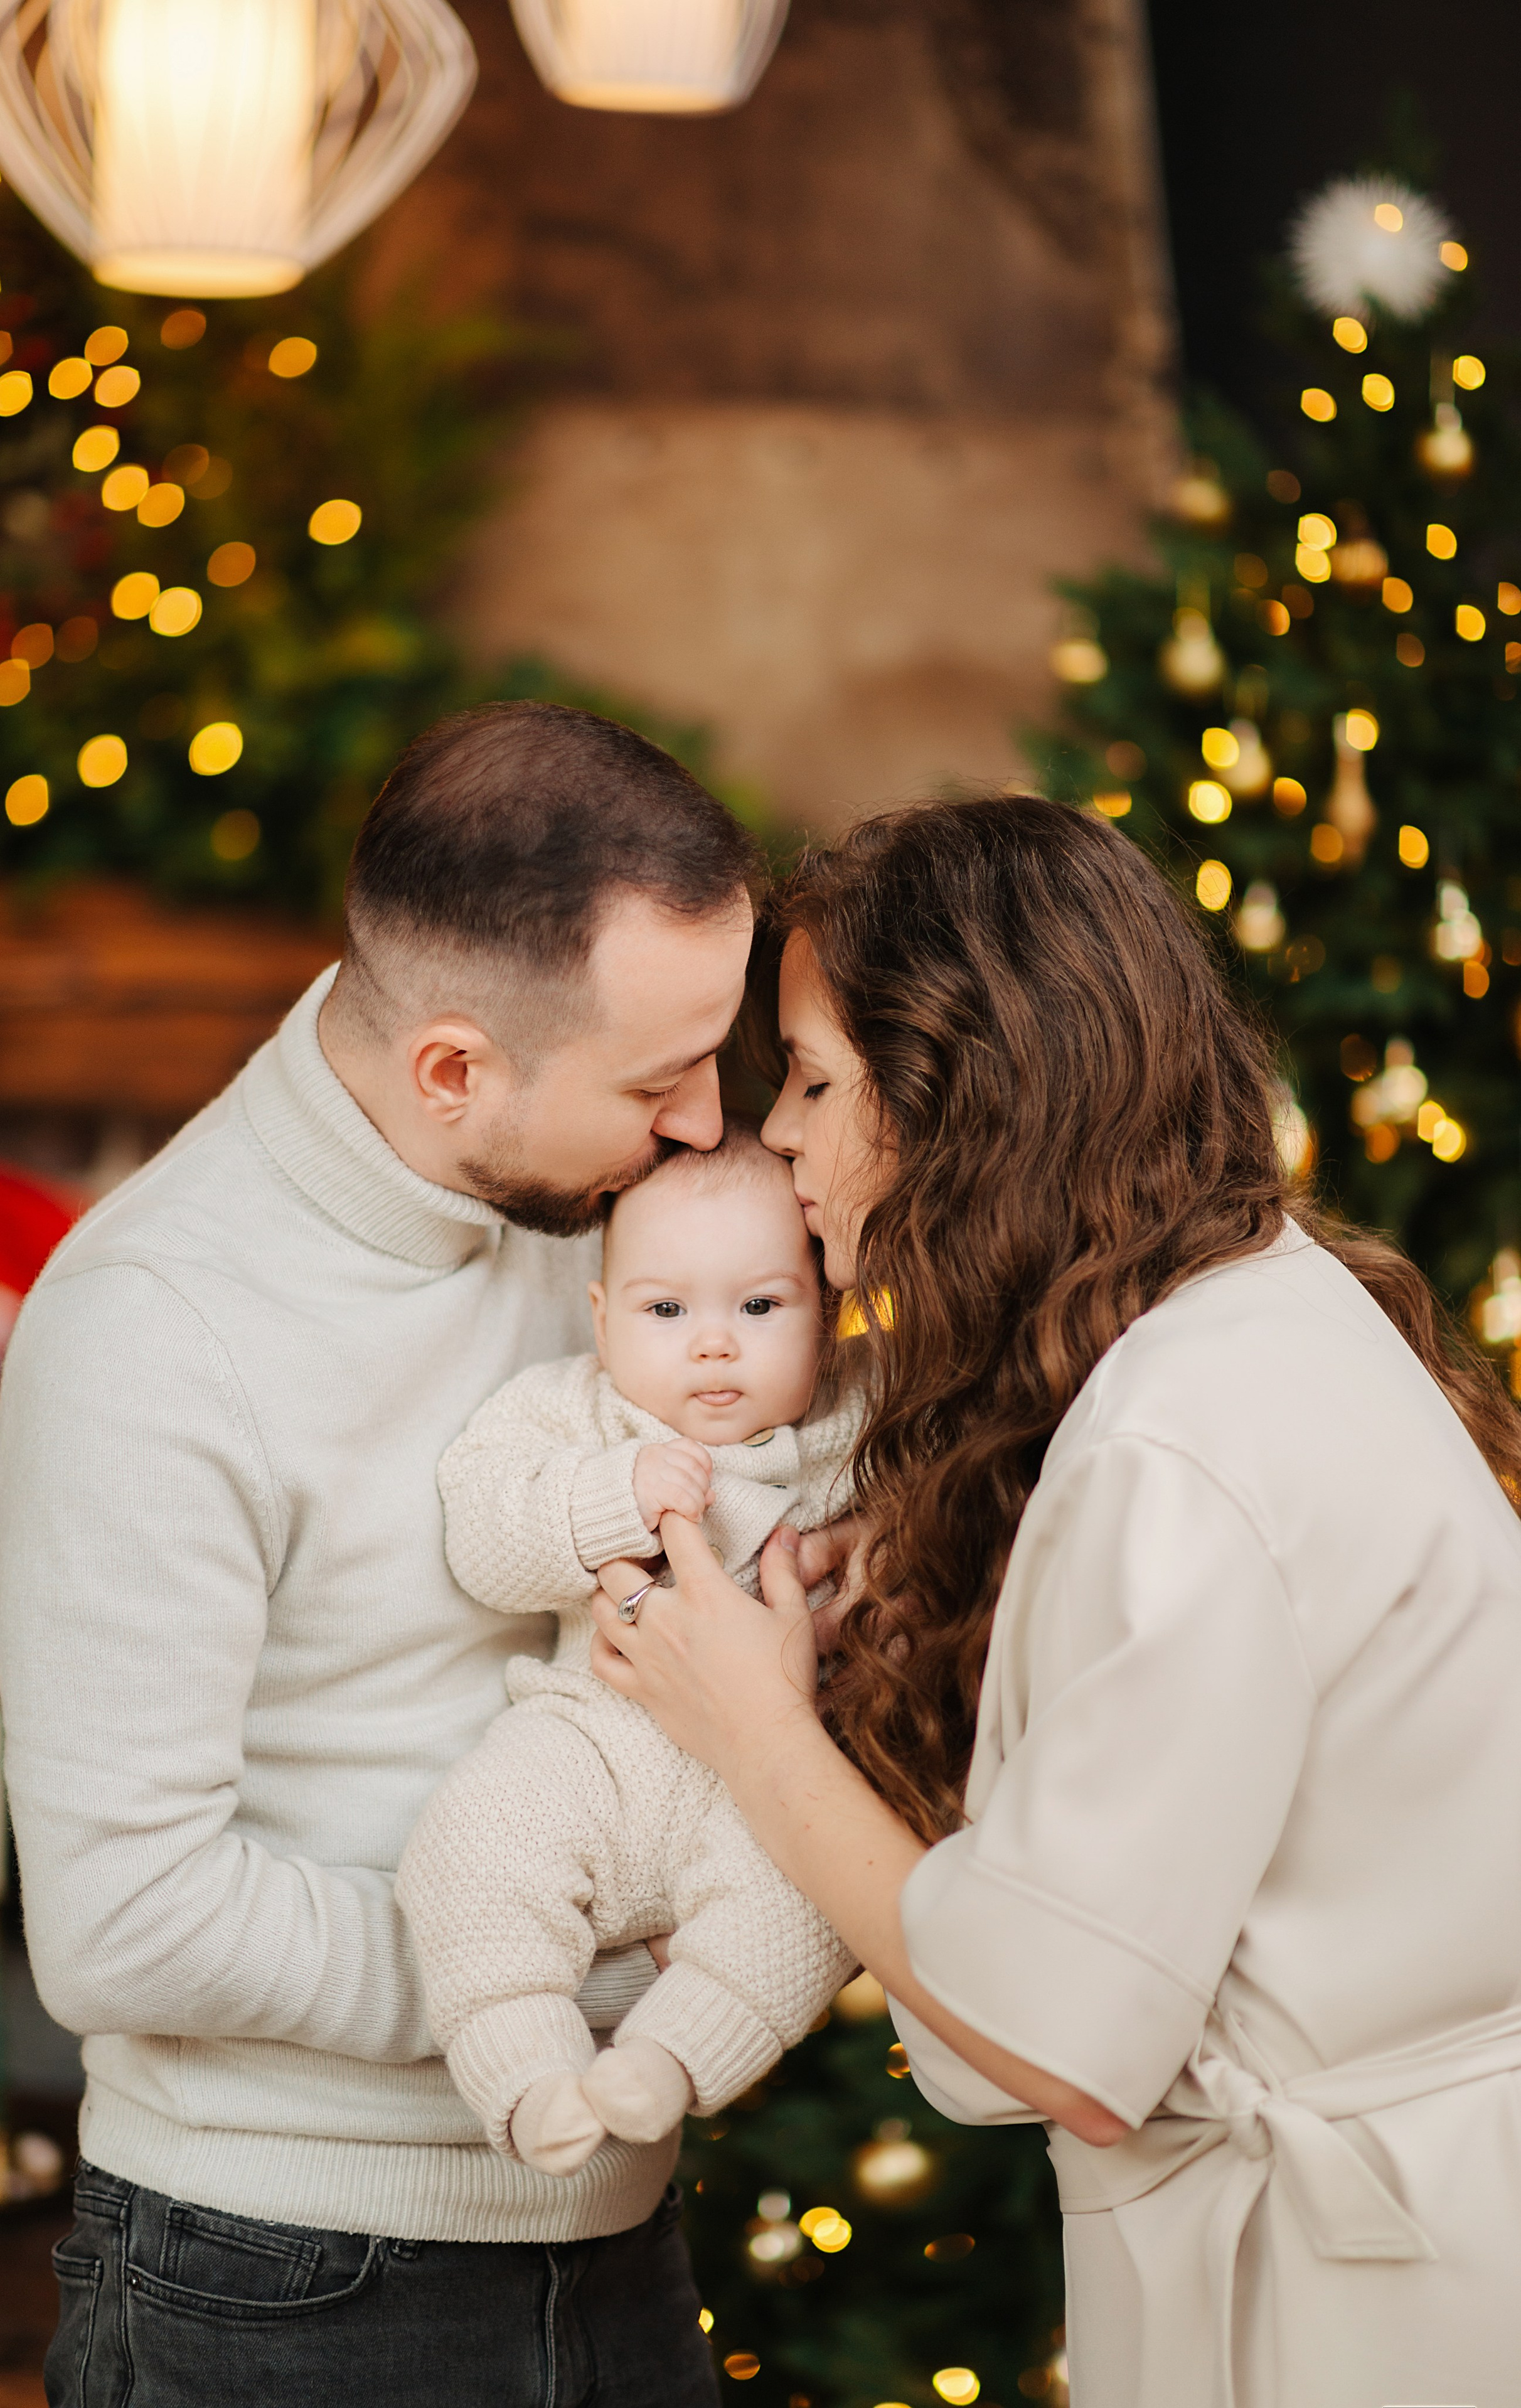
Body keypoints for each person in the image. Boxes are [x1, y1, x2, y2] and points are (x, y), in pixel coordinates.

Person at [590, 795, 1521, 2408]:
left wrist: (749, 1720)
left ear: (965, 1089)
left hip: (1354, 2309)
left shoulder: (1174, 1439)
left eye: (813, 1077)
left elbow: (1059, 2035)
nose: (780, 1136)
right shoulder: (1240, 1304)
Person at [0, 702, 757, 2408]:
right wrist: (572, 1981)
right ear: (452, 1071)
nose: (712, 1125)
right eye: (659, 1079)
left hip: (620, 2244)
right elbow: (123, 1921)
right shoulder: (156, 1330)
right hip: (275, 2285)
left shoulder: (597, 1217)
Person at [397, 1123, 860, 2180]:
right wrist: (611, 1496)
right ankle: (525, 2070)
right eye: (666, 1310)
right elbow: (484, 1534)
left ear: (826, 1316)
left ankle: (668, 2062)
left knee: (815, 1904)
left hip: (773, 1789)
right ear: (603, 1320)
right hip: (591, 1743)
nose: (713, 1343)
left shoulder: (849, 1430)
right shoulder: (574, 1413)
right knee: (470, 1844)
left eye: (759, 1306)